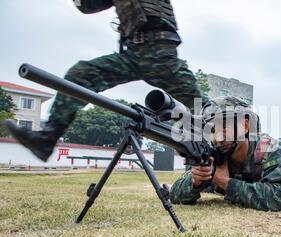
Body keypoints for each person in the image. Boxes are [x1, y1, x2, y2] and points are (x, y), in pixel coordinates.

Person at [5, 0, 206, 161]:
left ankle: (225, 156)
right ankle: (47, 139)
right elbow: (87, 5)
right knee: (81, 74)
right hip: (133, 54)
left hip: (162, 53)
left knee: (204, 109)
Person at [170, 96, 281, 212]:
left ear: (245, 126)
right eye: (212, 130)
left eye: (225, 126)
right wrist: (195, 182)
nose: (218, 137)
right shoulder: (213, 153)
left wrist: (225, 182)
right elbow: (174, 194)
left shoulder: (268, 148)